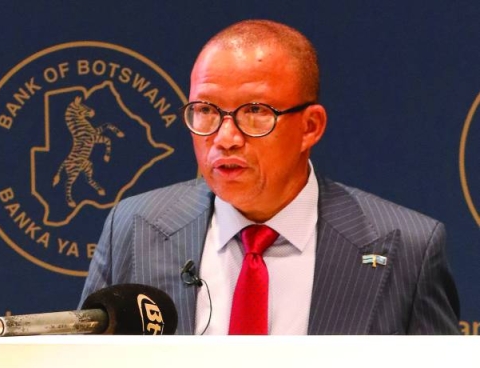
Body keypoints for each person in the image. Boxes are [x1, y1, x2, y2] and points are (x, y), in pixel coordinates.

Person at [80, 19, 461, 335]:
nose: (225, 138)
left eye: (255, 112)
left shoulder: (407, 249)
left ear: (310, 127)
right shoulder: (135, 226)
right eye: (206, 110)